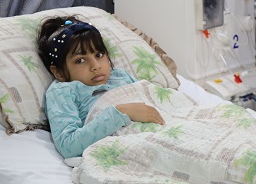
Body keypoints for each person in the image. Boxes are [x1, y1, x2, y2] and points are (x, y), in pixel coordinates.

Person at [38, 16, 164, 159]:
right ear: (58, 72)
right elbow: (68, 145)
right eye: (80, 60)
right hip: (131, 147)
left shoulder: (120, 76)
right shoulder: (63, 91)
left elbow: (151, 100)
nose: (95, 66)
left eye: (99, 55)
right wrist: (120, 113)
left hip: (161, 130)